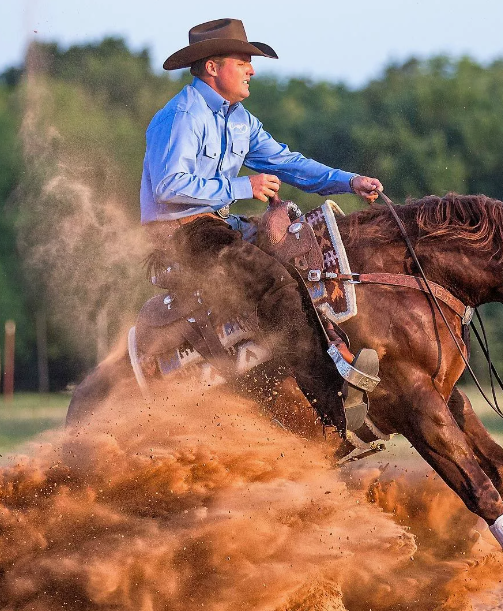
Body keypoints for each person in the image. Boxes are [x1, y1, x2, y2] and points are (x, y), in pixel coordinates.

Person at [140, 18, 383, 432]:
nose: (252, 68)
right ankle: (331, 399)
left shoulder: (240, 120)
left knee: (306, 247)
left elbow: (287, 162)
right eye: (243, 60)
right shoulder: (181, 115)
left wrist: (348, 181)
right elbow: (168, 185)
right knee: (274, 280)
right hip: (180, 234)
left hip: (218, 225)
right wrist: (242, 184)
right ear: (212, 67)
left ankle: (304, 368)